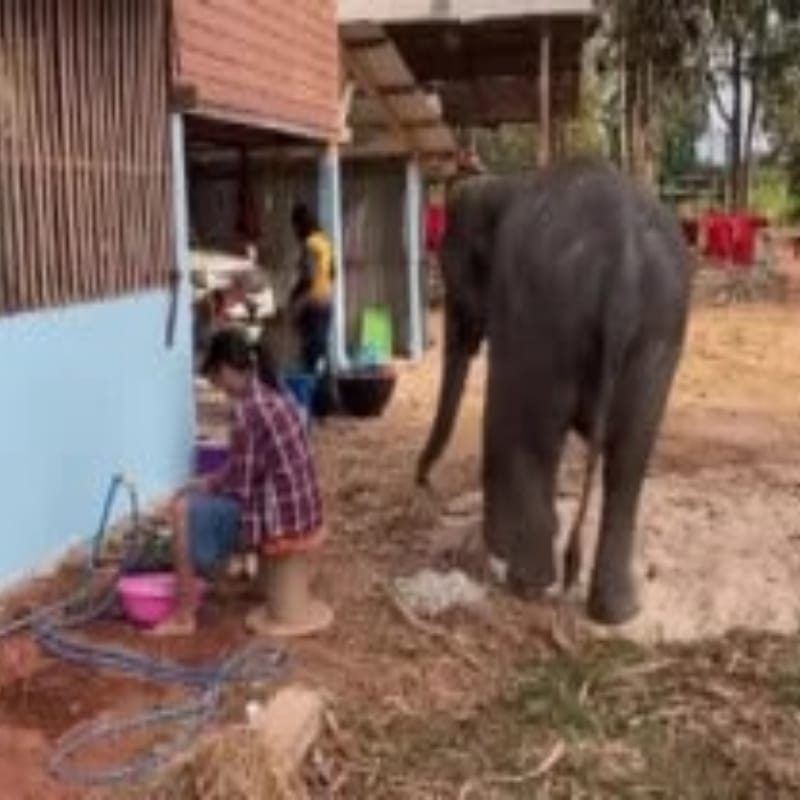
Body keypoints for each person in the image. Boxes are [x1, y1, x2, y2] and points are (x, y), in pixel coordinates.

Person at [152, 327, 324, 636]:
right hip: (304, 509)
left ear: (226, 370)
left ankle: (183, 616)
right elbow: (246, 469)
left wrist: (199, 490)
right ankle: (259, 584)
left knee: (181, 511)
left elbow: (240, 488)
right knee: (199, 496)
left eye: (216, 381)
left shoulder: (247, 410)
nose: (220, 390)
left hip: (282, 519)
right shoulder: (274, 388)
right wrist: (205, 483)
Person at [289, 203, 334, 375]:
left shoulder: (310, 245)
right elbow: (331, 274)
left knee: (312, 354)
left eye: (294, 226)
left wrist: (300, 302)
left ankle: (316, 384)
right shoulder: (324, 241)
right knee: (320, 351)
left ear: (299, 225)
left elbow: (311, 276)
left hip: (313, 306)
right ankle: (322, 382)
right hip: (325, 303)